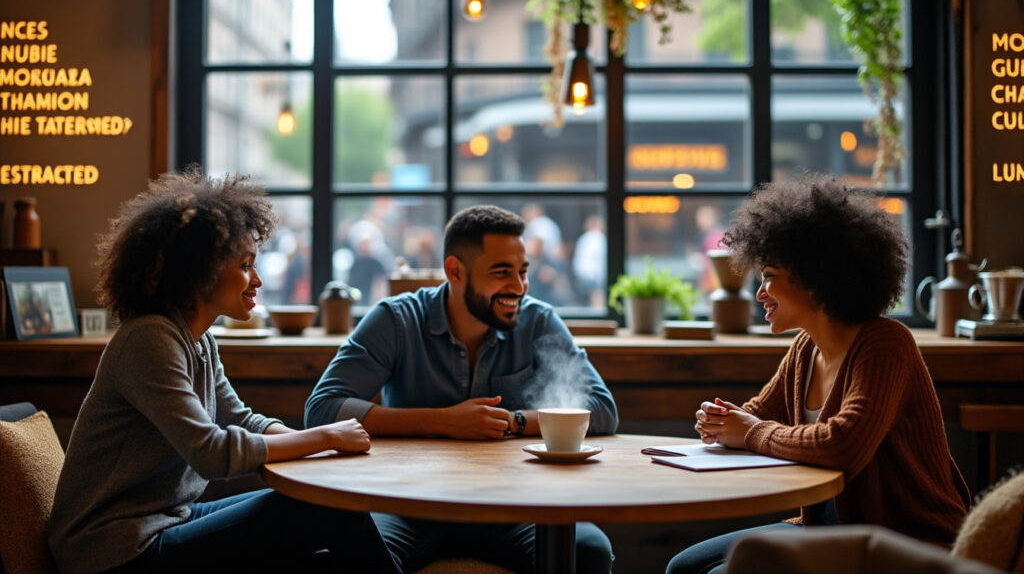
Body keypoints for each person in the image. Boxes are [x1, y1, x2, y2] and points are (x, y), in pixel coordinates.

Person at [47, 169, 397, 574]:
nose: (258, 280)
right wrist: (325, 435)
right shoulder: (148, 340)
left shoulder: (199, 339)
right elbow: (211, 453)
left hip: (164, 520)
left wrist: (311, 443)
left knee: (327, 520)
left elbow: (240, 419)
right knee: (332, 507)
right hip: (112, 550)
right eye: (246, 265)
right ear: (201, 270)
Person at [666, 173, 970, 574]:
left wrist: (749, 431)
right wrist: (720, 420)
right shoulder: (806, 348)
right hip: (826, 528)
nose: (760, 294)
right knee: (682, 567)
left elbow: (842, 444)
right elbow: (756, 415)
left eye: (769, 277)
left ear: (815, 278)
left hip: (903, 540)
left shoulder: (885, 344)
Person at [305, 204, 619, 574]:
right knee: (349, 554)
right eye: (502, 273)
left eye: (522, 272)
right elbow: (323, 409)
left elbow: (601, 409)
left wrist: (511, 422)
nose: (518, 287)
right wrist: (443, 422)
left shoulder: (538, 320)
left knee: (589, 550)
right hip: (410, 504)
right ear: (455, 271)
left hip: (515, 505)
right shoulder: (397, 319)